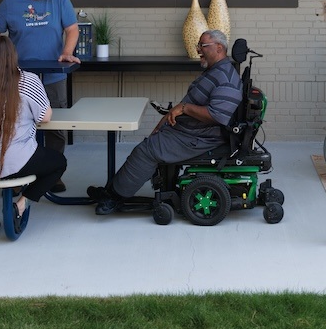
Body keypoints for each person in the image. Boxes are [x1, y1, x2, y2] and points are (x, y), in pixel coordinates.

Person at [92, 30, 242, 215]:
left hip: (200, 138)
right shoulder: (215, 71)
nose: (198, 50)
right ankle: (113, 189)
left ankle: (113, 198)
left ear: (219, 47)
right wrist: (164, 122)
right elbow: (186, 105)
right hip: (189, 131)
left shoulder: (225, 78)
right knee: (149, 144)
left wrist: (184, 109)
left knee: (145, 151)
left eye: (202, 46)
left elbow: (217, 115)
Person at [0, 0, 80, 192]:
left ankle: (52, 173)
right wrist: (1, 59)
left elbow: (72, 29)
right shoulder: (11, 2)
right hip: (19, 79)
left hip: (53, 75)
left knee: (56, 126)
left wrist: (67, 52)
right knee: (18, 124)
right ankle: (19, 169)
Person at [0, 35, 67, 238]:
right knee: (59, 162)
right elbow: (45, 117)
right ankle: (21, 203)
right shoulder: (28, 80)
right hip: (15, 161)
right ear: (14, 56)